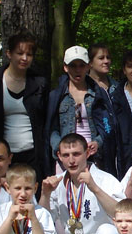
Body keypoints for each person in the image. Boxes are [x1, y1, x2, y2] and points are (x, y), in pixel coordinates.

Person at [0, 31, 50, 181]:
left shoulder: (39, 83)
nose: (24, 58)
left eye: (29, 54)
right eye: (19, 53)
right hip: (4, 156)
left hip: (33, 154)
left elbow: (45, 119)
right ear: (9, 54)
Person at [46, 46, 119, 176]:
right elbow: (51, 128)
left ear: (88, 66)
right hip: (66, 159)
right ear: (65, 67)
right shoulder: (56, 96)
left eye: (81, 65)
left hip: (94, 158)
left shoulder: (99, 94)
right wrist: (60, 147)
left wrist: (98, 142)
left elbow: (108, 125)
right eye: (73, 66)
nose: (77, 70)